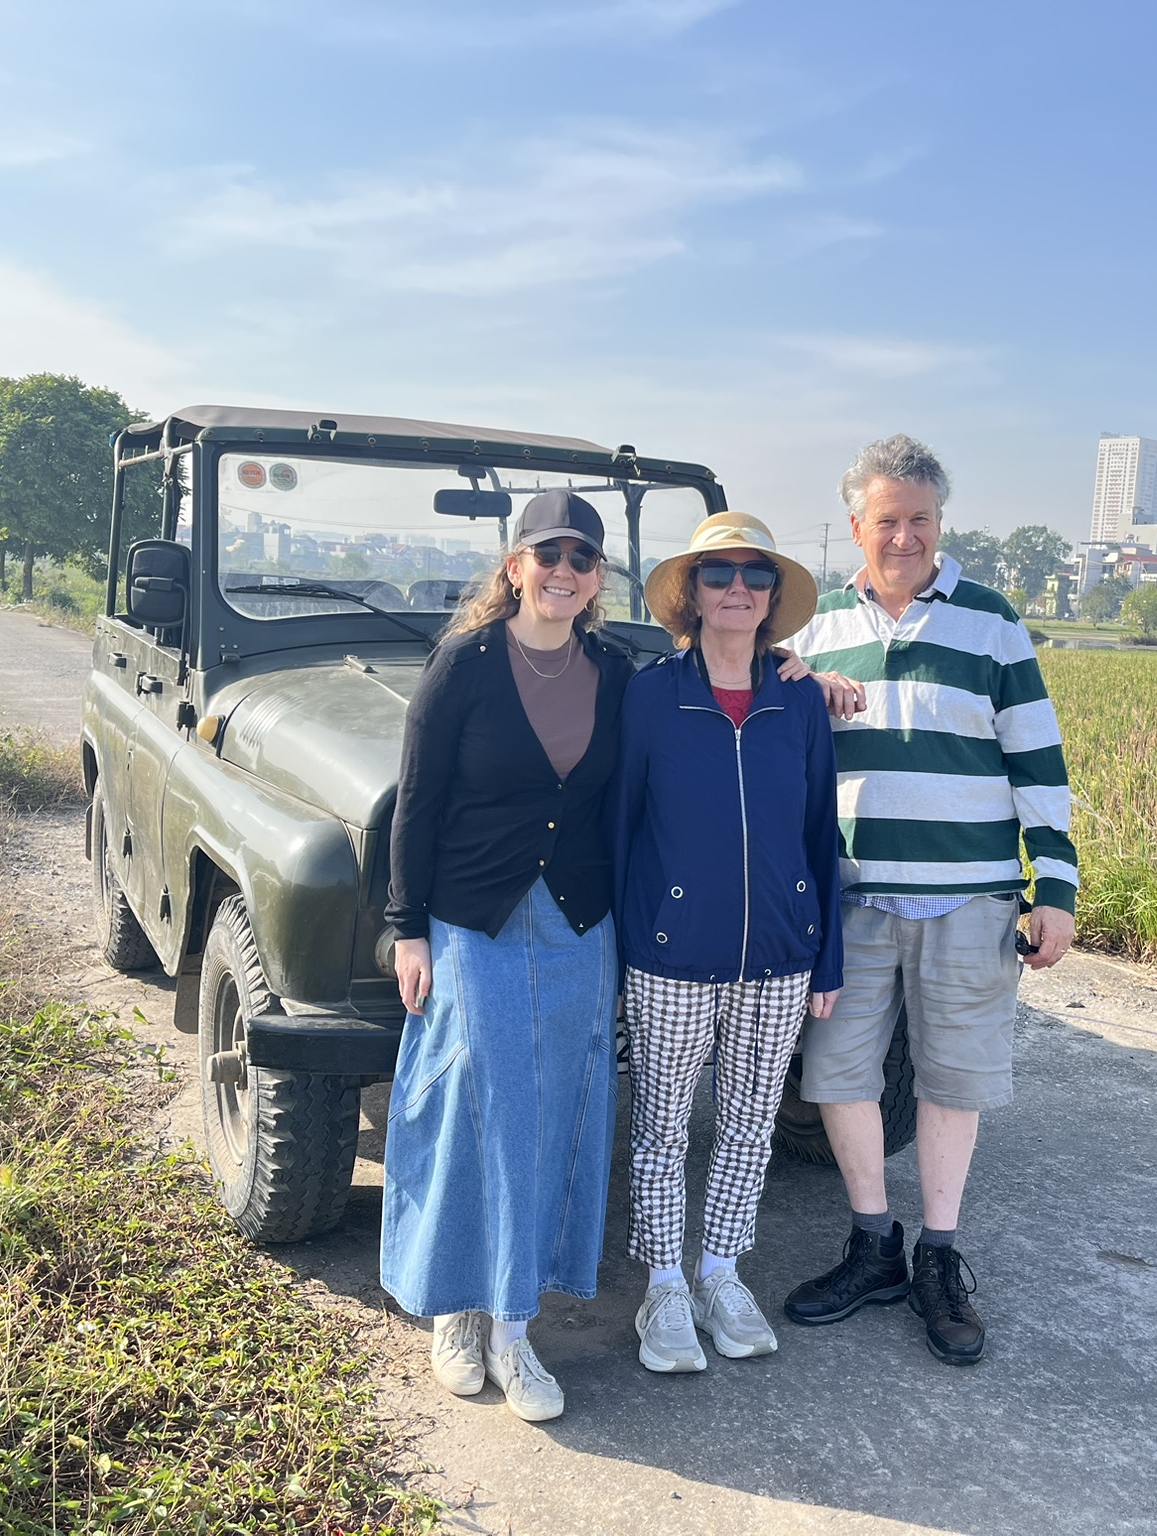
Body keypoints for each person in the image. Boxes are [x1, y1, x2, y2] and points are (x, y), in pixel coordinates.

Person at [782, 434, 1077, 1367]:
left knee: (955, 1078)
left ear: (940, 524)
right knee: (839, 1072)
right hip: (854, 896)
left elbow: (1037, 761)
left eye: (919, 519)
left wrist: (1056, 888)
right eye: (886, 520)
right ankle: (874, 1241)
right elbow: (744, 702)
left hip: (970, 899)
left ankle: (940, 1257)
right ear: (855, 527)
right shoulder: (815, 633)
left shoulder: (993, 625)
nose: (903, 536)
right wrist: (794, 685)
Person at [383, 489, 630, 1423]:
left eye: (581, 558)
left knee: (558, 1111)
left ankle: (516, 1328)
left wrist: (801, 673)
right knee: (478, 1106)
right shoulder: (464, 666)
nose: (563, 571)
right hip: (474, 923)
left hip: (578, 925)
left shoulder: (615, 671)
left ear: (596, 578)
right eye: (547, 554)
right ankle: (457, 1307)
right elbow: (418, 805)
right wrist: (410, 930)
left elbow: (714, 681)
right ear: (514, 566)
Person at [613, 514, 844, 1374]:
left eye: (755, 575)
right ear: (693, 594)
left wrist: (828, 955)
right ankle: (664, 1285)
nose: (738, 588)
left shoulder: (799, 702)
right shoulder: (652, 695)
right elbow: (622, 826)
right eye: (719, 574)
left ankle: (722, 1271)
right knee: (663, 1127)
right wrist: (620, 947)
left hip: (781, 954)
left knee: (749, 1127)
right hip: (670, 953)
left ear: (774, 598)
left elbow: (820, 831)